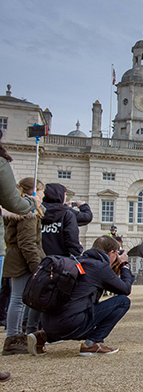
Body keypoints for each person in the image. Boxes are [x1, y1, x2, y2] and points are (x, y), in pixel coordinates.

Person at [27, 235, 134, 356]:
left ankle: (42, 336)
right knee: (123, 301)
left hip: (49, 324)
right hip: (72, 325)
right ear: (111, 253)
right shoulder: (100, 267)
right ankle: (92, 344)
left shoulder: (77, 261)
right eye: (116, 254)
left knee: (71, 312)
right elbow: (125, 289)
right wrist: (124, 264)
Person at [0, 131, 38, 381]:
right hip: (16, 257)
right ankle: (14, 336)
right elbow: (14, 203)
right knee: (17, 299)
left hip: (11, 254)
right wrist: (33, 206)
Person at [2, 178, 44, 356]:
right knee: (18, 300)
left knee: (18, 300)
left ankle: (15, 335)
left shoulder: (22, 210)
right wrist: (36, 266)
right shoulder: (28, 212)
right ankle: (12, 338)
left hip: (17, 259)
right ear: (34, 193)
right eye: (42, 192)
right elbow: (27, 244)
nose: (43, 196)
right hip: (21, 261)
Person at [40, 183, 81, 257]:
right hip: (60, 262)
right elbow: (72, 240)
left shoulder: (36, 211)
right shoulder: (67, 214)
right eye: (65, 195)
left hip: (37, 260)